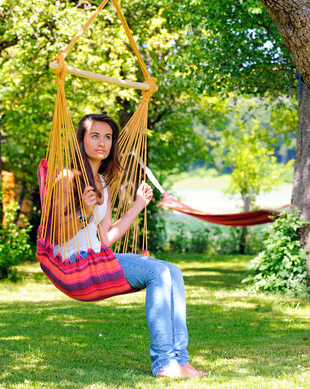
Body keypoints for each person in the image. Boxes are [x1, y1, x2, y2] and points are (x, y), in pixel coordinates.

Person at [53, 113, 206, 378]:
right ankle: (164, 363)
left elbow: (105, 238)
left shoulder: (102, 183)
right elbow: (56, 233)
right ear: (81, 140)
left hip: (97, 257)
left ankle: (181, 360)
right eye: (95, 135)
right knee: (158, 273)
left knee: (174, 271)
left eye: (108, 137)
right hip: (74, 264)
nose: (102, 142)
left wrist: (137, 205)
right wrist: (84, 212)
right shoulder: (67, 178)